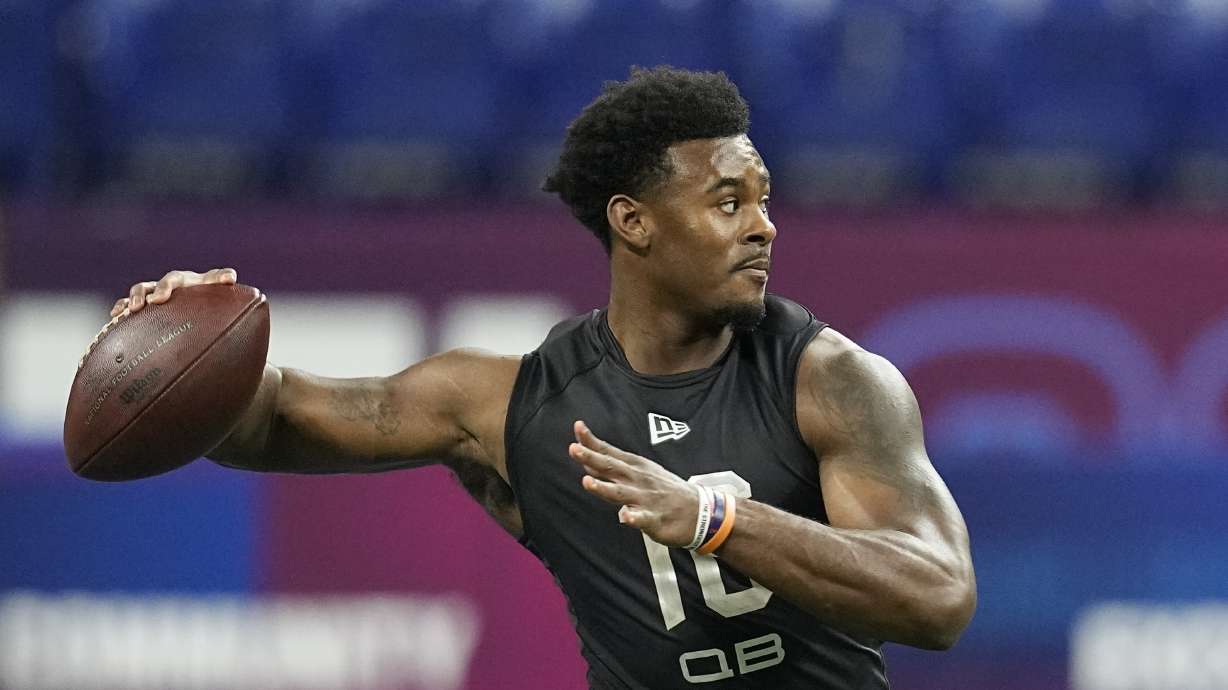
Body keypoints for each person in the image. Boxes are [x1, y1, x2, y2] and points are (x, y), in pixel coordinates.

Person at [112, 67, 975, 689]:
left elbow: (938, 597)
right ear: (633, 223)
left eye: (763, 197)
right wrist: (189, 343)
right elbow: (275, 422)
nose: (764, 228)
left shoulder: (831, 379)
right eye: (728, 202)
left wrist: (716, 519)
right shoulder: (509, 400)